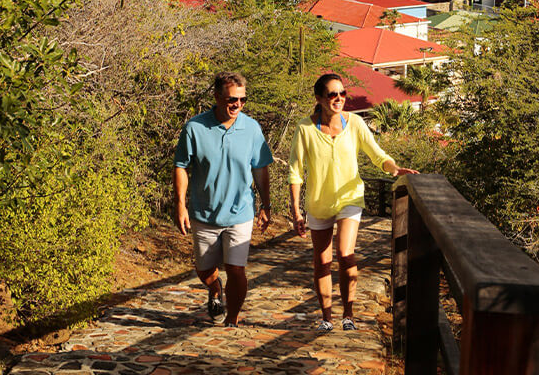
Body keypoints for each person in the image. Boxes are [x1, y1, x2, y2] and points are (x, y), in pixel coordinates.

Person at [288, 73, 418, 332]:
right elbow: (295, 171)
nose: (338, 99)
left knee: (346, 254)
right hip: (318, 203)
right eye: (332, 95)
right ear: (319, 98)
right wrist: (296, 211)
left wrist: (394, 168)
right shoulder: (305, 129)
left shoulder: (356, 123)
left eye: (342, 94)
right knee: (321, 261)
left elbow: (376, 154)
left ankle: (348, 314)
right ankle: (327, 317)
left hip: (349, 199)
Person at [174, 72, 273, 327]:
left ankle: (232, 317)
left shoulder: (251, 128)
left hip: (240, 212)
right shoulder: (195, 127)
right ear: (217, 97)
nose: (237, 105)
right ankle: (215, 289)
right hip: (203, 212)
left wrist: (266, 204)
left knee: (236, 269)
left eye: (242, 100)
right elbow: (181, 166)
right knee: (204, 269)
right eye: (231, 99)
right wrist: (181, 205)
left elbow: (260, 168)